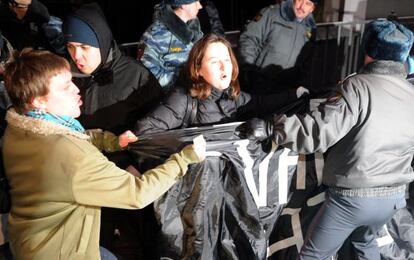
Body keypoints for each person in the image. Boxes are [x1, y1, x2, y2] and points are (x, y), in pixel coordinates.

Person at [2, 48, 206, 260]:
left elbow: (70, 137)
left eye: (72, 81)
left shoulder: (19, 126)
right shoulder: (73, 156)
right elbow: (138, 193)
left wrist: (111, 141)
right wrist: (184, 159)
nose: (76, 89)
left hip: (29, 242)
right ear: (38, 101)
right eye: (64, 87)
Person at [238, 19, 414, 259]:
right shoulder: (411, 93)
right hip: (393, 199)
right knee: (365, 245)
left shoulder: (357, 86)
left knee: (311, 256)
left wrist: (272, 126)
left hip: (354, 199)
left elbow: (318, 132)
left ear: (368, 50)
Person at [135, 33, 306, 134]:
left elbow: (259, 103)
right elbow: (144, 129)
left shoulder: (231, 94)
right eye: (215, 61)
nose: (224, 66)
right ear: (198, 69)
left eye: (227, 59)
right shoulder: (183, 98)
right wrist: (187, 152)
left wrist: (294, 95)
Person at [63, 3, 162, 135]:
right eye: (70, 47)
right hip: (79, 152)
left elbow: (157, 126)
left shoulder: (137, 76)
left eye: (84, 47)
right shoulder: (64, 79)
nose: (76, 56)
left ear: (102, 43)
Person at [237, 0, 317, 94]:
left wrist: (302, 83)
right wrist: (248, 71)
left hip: (288, 88)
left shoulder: (310, 28)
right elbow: (249, 39)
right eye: (300, 0)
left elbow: (307, 59)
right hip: (261, 84)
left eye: (307, 3)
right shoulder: (272, 13)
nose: (302, 6)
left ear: (312, 9)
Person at [140, 0, 203, 90]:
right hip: (172, 98)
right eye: (196, 2)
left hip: (196, 92)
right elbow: (146, 73)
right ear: (184, 5)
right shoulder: (154, 35)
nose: (200, 6)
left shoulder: (194, 30)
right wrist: (184, 81)